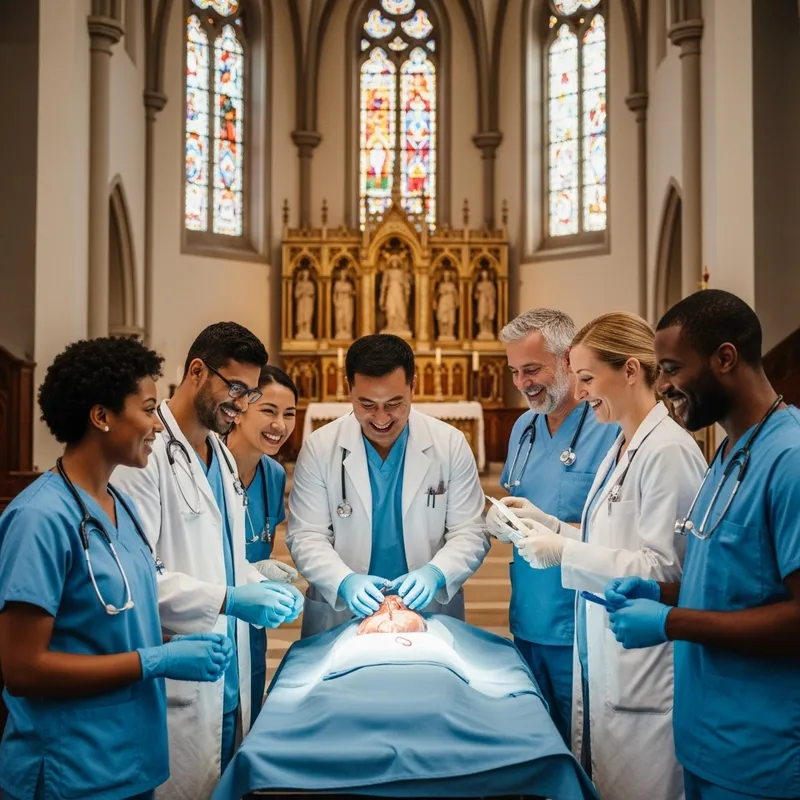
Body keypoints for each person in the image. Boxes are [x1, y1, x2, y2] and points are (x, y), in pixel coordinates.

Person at [0, 337, 233, 800]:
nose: (157, 426)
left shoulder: (119, 507)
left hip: (133, 761)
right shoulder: (40, 519)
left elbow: (116, 617)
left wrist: (175, 645)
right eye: (148, 410)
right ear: (102, 417)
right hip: (72, 768)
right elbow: (22, 667)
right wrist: (155, 661)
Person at [493, 312, 706, 799]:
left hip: (642, 661)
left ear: (630, 370)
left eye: (587, 378)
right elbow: (604, 532)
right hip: (594, 646)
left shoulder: (666, 451)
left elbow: (668, 571)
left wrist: (563, 549)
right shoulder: (625, 446)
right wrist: (543, 523)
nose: (584, 393)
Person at [605, 290, 800, 800]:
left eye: (671, 368)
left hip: (761, 753)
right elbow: (734, 584)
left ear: (725, 358)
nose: (663, 384)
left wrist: (671, 622)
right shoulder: (729, 451)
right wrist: (661, 592)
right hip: (703, 741)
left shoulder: (790, 458)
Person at [113, 322, 303, 799]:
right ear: (197, 371)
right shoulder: (144, 458)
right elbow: (136, 578)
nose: (242, 404)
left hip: (227, 671)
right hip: (179, 674)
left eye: (250, 392)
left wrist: (255, 576)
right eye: (235, 388)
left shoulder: (218, 451)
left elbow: (215, 555)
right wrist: (233, 598)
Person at [287, 333, 489, 638]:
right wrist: (343, 581)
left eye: (394, 404)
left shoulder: (449, 444)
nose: (381, 418)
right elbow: (306, 535)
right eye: (367, 404)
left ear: (413, 387)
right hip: (342, 612)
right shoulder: (320, 447)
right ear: (348, 389)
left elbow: (470, 531)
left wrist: (436, 574)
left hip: (428, 609)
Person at [485, 309, 619, 745]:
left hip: (581, 622)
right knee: (534, 742)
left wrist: (556, 529)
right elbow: (514, 493)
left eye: (532, 369)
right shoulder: (523, 427)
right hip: (527, 618)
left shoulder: (609, 427)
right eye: (515, 372)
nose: (523, 382)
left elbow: (624, 536)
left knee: (583, 748)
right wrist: (499, 519)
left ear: (567, 361)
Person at [226, 365, 300, 726]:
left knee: (249, 717)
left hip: (252, 628)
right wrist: (249, 574)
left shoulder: (273, 475)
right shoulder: (206, 470)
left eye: (289, 414)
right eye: (268, 411)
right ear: (239, 410)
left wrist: (263, 574)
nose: (280, 425)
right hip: (211, 620)